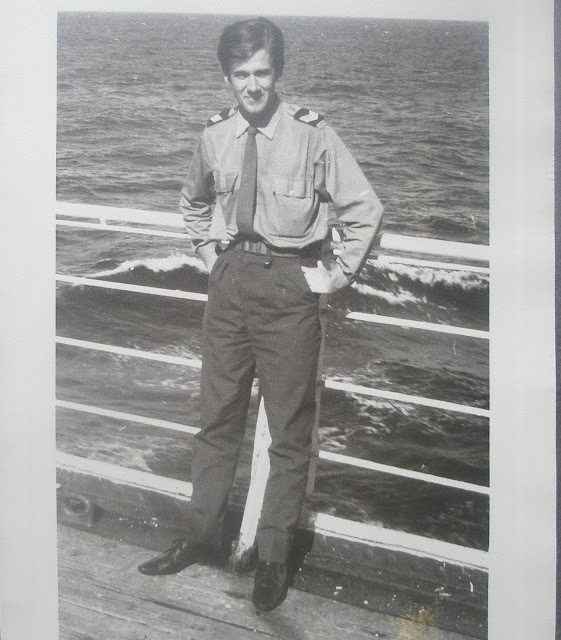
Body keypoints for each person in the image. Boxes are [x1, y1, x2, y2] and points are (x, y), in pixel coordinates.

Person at [138, 17, 383, 612]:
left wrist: (335, 276)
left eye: (263, 73)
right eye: (241, 74)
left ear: (278, 73)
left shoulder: (313, 135)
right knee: (216, 419)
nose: (252, 85)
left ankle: (272, 557)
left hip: (289, 289)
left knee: (289, 431)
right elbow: (193, 202)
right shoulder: (215, 134)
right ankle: (201, 536)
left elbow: (364, 208)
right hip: (230, 285)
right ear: (226, 76)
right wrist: (209, 256)